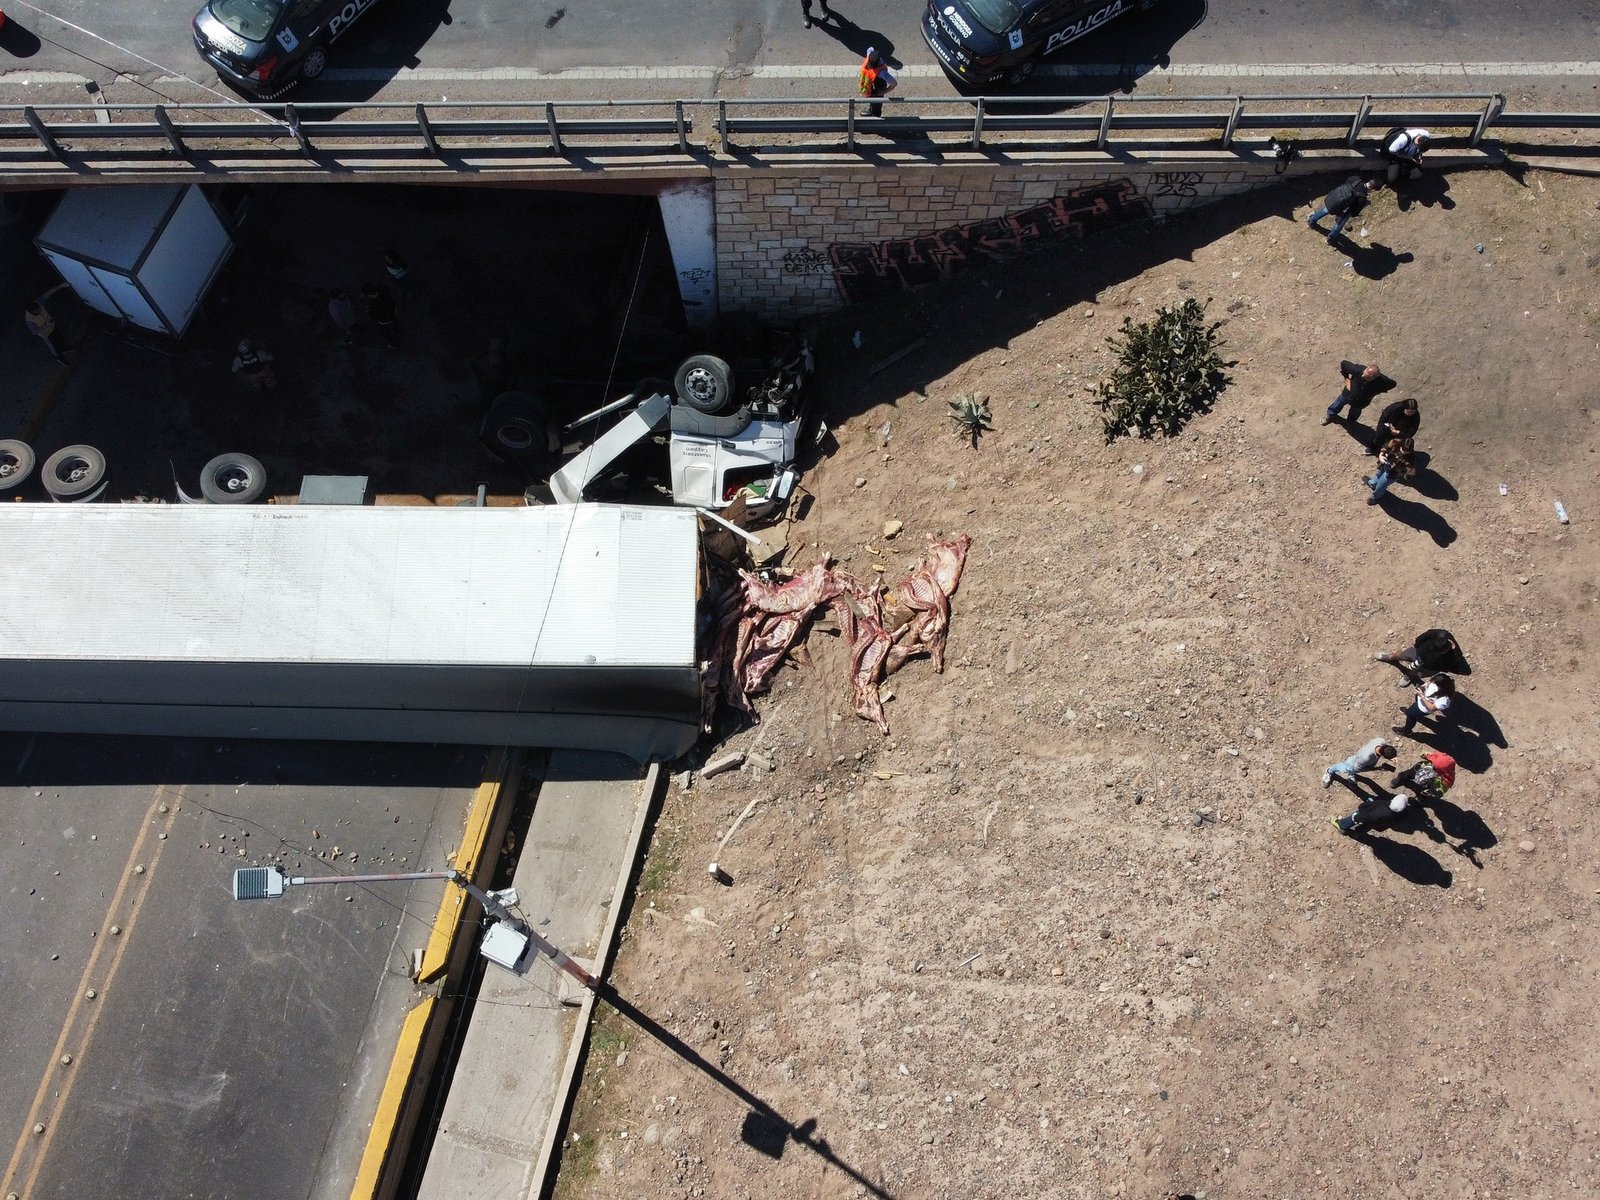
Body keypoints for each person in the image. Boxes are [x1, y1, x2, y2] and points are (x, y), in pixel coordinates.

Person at [1306, 175, 1381, 244]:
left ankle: (1311, 221)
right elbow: (1354, 213)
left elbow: (1345, 184)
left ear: (1369, 181)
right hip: (1344, 211)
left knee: (1325, 210)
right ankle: (1330, 239)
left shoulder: (1355, 179)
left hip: (1335, 200)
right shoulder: (1362, 198)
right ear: (1372, 189)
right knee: (1338, 225)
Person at [1375, 628, 1465, 683]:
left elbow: (1466, 671)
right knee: (1403, 655)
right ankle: (1390, 657)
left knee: (1417, 673)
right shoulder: (1441, 635)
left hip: (1428, 668)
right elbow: (1426, 634)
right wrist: (1417, 644)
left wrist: (1446, 666)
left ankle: (1408, 674)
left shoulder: (1443, 638)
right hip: (1417, 653)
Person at [1322, 360, 1394, 426]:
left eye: (1366, 377)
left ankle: (1350, 422)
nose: (1362, 376)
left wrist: (1377, 391)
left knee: (1355, 413)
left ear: (1374, 378)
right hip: (1348, 394)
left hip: (1361, 402)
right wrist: (1346, 379)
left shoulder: (1382, 381)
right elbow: (1343, 364)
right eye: (1364, 373)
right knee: (1338, 403)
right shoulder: (1358, 369)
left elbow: (1393, 384)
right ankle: (1330, 414)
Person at [1321, 736, 1398, 788]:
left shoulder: (1381, 741)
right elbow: (1359, 769)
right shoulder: (1366, 758)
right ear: (1383, 755)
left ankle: (1351, 775)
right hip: (1352, 765)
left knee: (1353, 770)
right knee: (1345, 768)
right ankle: (1329, 771)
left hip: (1359, 760)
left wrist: (1389, 757)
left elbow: (1374, 744)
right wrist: (1378, 768)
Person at [1363, 435, 1415, 504]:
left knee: (1381, 485)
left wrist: (1407, 475)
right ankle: (1372, 484)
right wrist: (1381, 454)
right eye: (1403, 449)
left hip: (1393, 474)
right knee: (1378, 475)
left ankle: (1375, 497)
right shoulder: (1395, 442)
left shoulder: (1410, 459)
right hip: (1385, 464)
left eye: (1407, 451)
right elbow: (1386, 446)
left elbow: (1410, 470)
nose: (1404, 452)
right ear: (1400, 444)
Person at [859, 47, 896, 118]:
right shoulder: (870, 52)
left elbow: (894, 83)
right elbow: (870, 48)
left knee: (877, 104)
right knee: (872, 100)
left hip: (878, 89)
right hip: (872, 85)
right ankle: (871, 110)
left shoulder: (882, 73)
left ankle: (875, 116)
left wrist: (884, 91)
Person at [361, 282, 399, 347]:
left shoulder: (375, 306)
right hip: (393, 311)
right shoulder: (382, 288)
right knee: (395, 323)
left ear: (368, 295)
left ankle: (393, 343)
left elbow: (375, 318)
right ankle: (397, 331)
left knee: (385, 332)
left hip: (385, 320)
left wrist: (369, 311)